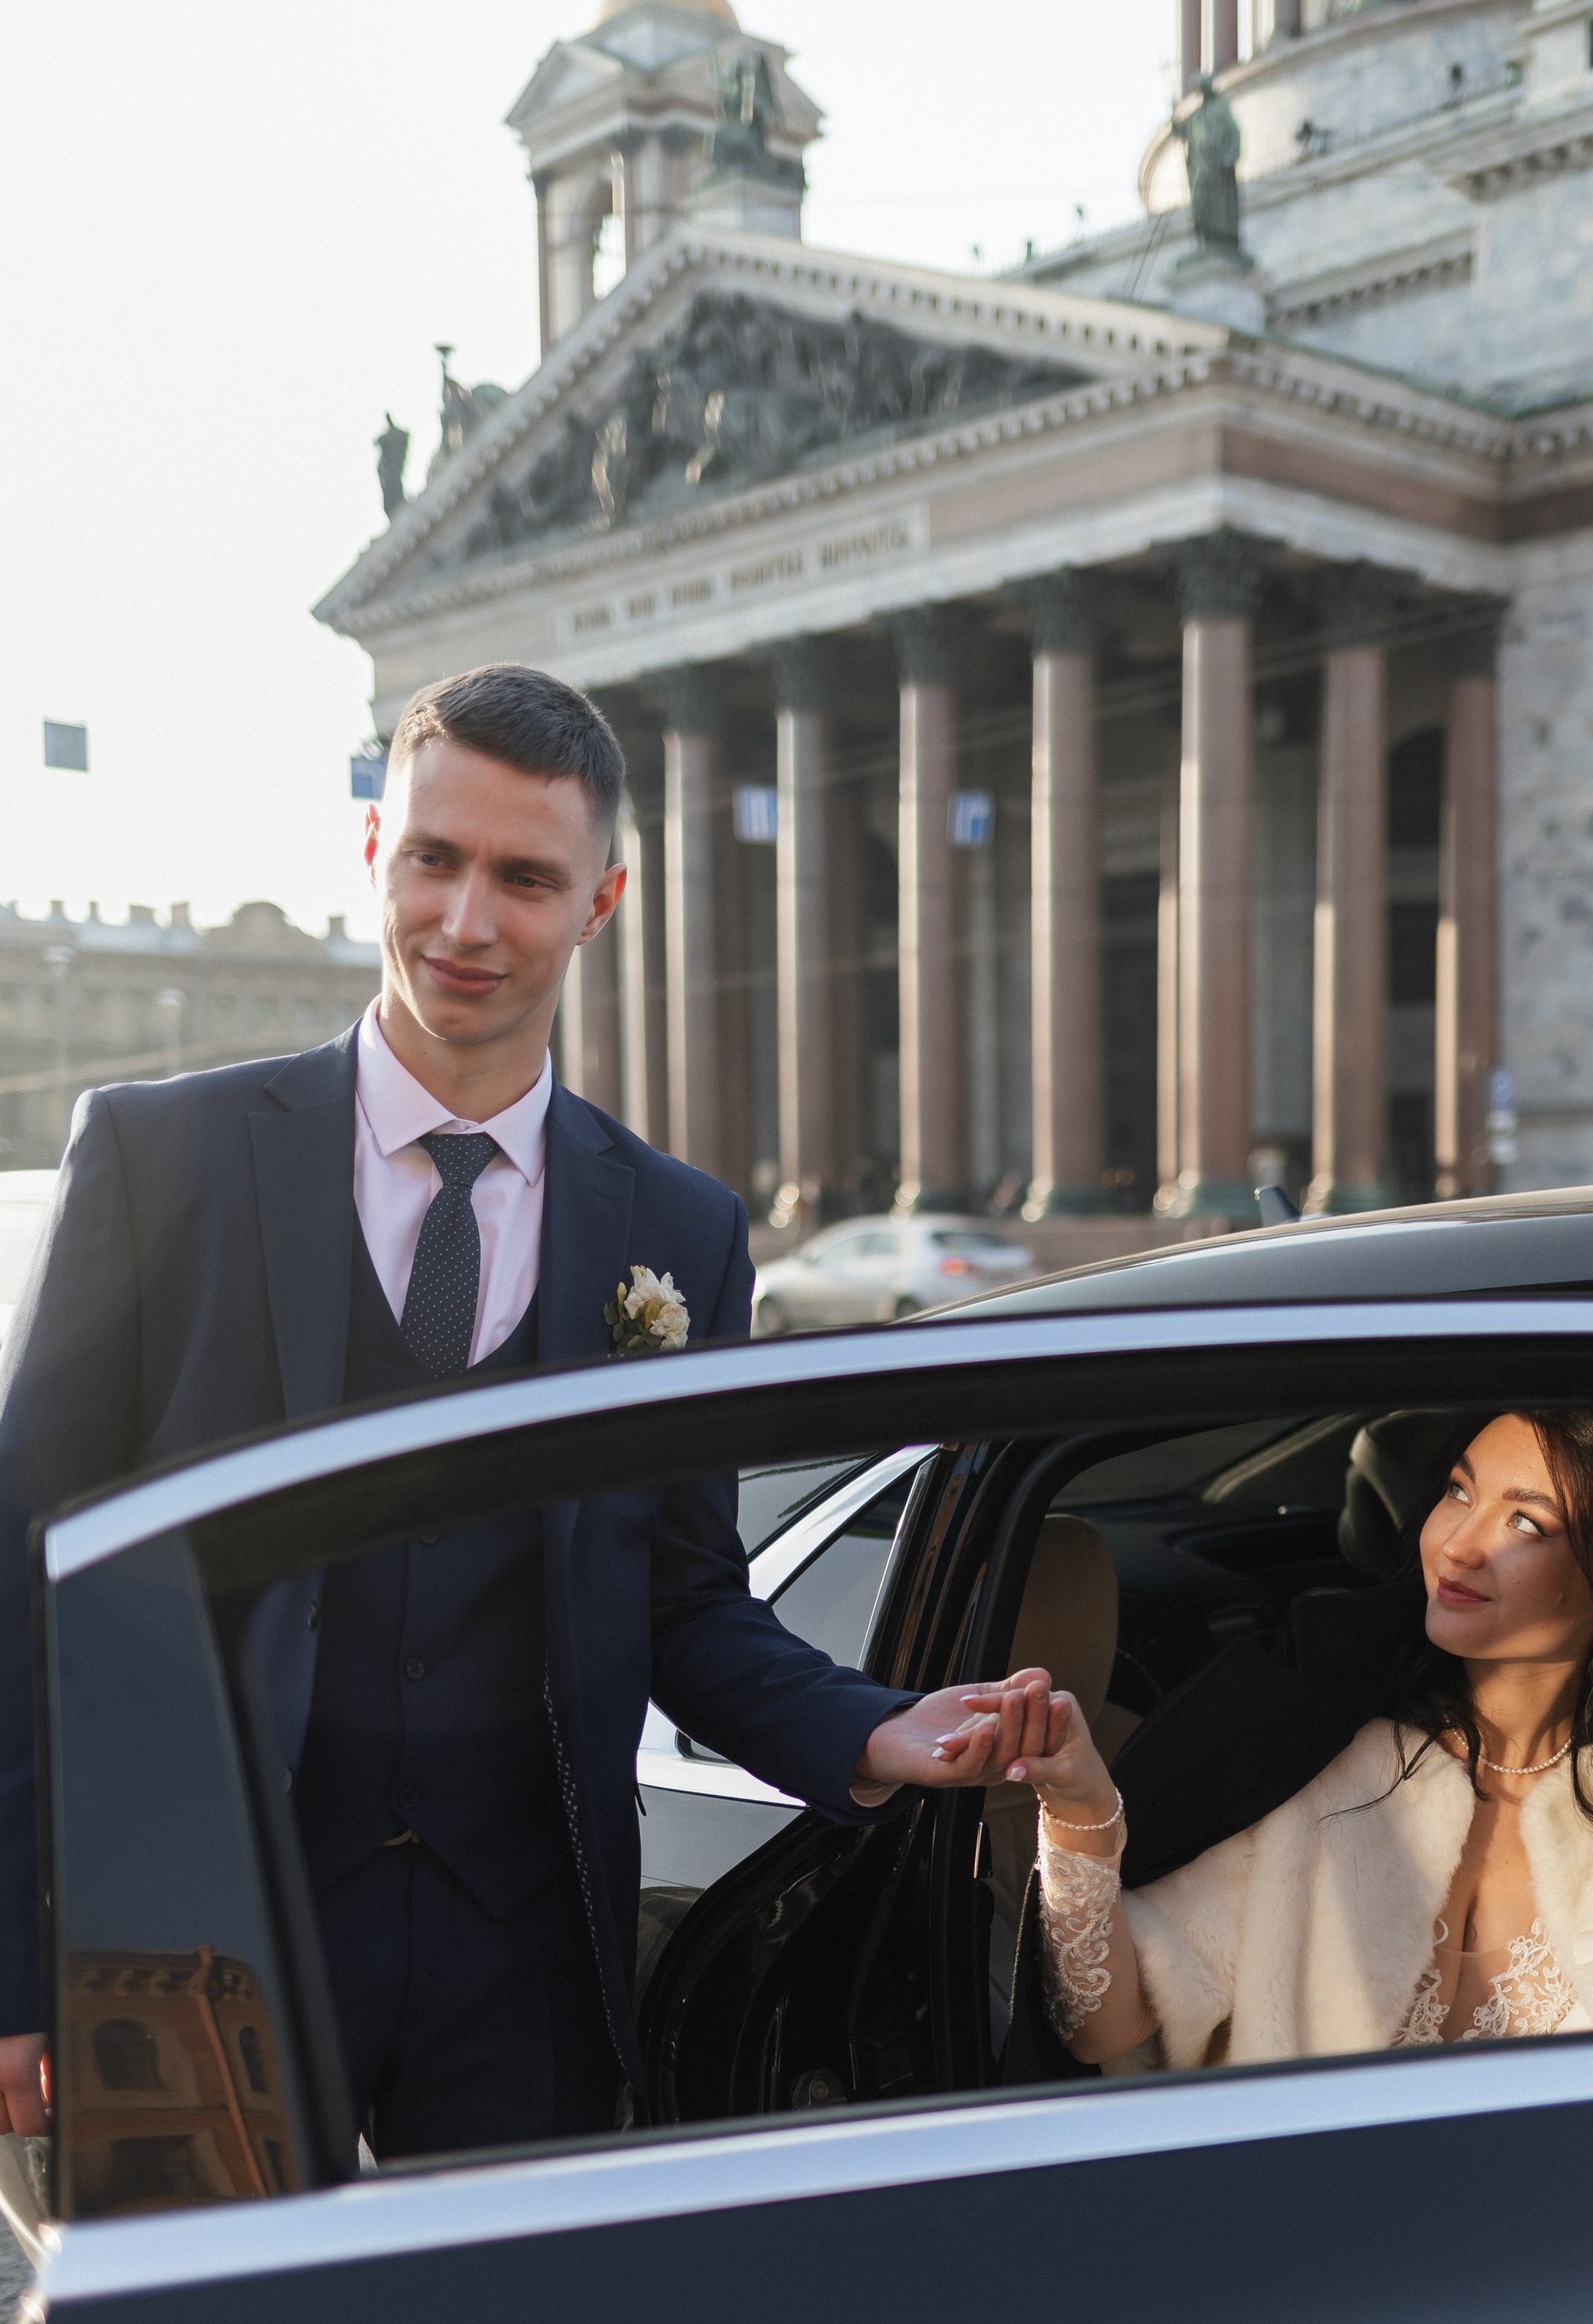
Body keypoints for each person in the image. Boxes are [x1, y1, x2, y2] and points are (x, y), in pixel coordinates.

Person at [0, 663, 1036, 2154]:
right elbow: (29, 1571)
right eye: (435, 859)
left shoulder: (679, 1229)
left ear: (599, 903)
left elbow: (683, 1598)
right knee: (219, 2317)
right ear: (375, 850)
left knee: (514, 2321)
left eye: (525, 879)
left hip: (527, 1959)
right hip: (199, 1938)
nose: (467, 921)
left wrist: (878, 1731)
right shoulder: (161, 1158)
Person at [995, 1409, 1593, 2067]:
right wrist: (1080, 1808)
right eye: (1458, 1492)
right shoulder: (1320, 1763)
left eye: (1526, 1524)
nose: (1457, 1547)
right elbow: (1103, 2028)